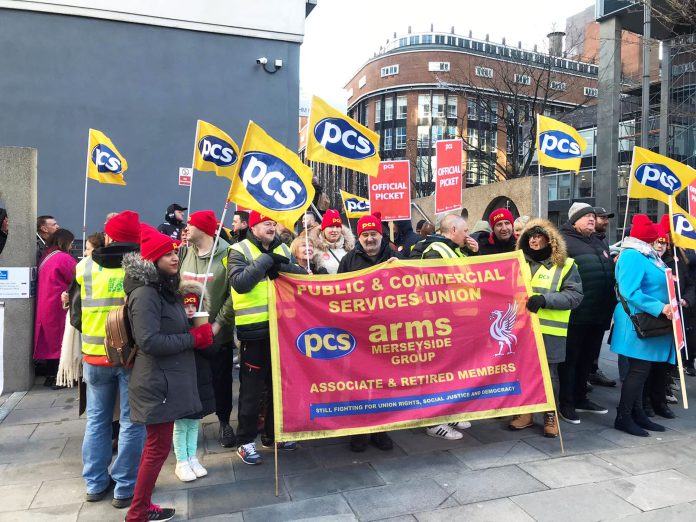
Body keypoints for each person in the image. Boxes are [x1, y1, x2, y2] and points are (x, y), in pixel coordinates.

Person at [124, 224, 213, 521]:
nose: (175, 257)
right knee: (156, 448)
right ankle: (138, 512)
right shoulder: (146, 294)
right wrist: (193, 339)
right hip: (157, 382)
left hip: (168, 377)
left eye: (174, 251)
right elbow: (148, 340)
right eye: (166, 254)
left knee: (157, 448)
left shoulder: (165, 289)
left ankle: (141, 507)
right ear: (152, 260)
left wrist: (194, 326)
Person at [69, 210, 145, 509]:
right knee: (131, 422)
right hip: (131, 357)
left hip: (95, 356)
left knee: (97, 421)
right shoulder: (142, 267)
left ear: (109, 235)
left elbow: (75, 315)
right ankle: (125, 487)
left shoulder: (84, 266)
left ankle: (95, 482)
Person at [229, 210, 305, 465]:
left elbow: (299, 275)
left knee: (278, 386)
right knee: (251, 390)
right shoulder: (238, 249)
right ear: (254, 226)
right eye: (266, 223)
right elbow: (240, 283)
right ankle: (245, 441)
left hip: (282, 328)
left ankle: (274, 435)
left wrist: (280, 265)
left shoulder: (281, 248)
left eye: (273, 223)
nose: (271, 227)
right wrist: (265, 261)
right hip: (254, 331)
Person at [510, 219, 583, 437]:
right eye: (530, 236)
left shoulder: (566, 265)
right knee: (523, 371)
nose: (533, 239)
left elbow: (574, 296)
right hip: (522, 329)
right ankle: (526, 412)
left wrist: (545, 300)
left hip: (550, 331)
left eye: (538, 235)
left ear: (549, 240)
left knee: (548, 375)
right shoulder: (517, 263)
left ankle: (550, 414)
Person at [410, 214, 477, 440]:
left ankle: (449, 413)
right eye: (465, 230)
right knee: (437, 374)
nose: (468, 235)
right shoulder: (436, 251)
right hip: (441, 324)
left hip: (453, 324)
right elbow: (433, 292)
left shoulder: (452, 249)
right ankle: (434, 421)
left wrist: (471, 252)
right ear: (454, 229)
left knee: (450, 373)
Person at [338, 214, 400, 452]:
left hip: (388, 332)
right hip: (359, 334)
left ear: (380, 235)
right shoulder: (349, 260)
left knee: (385, 383)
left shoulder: (395, 257)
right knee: (359, 383)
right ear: (359, 238)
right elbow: (338, 293)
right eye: (364, 235)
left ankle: (380, 429)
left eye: (373, 233)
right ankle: (360, 430)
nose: (369, 238)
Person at [611, 215, 675, 437]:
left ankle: (637, 414)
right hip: (637, 321)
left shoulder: (644, 255)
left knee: (642, 371)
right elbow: (630, 291)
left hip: (645, 321)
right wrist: (661, 307)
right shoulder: (633, 256)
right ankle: (624, 416)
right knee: (638, 371)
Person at [179, 210, 236, 448]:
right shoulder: (184, 252)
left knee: (220, 381)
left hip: (216, 334)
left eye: (191, 225)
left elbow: (233, 296)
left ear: (204, 229)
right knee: (190, 381)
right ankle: (189, 428)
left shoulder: (228, 254)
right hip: (186, 334)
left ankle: (224, 422)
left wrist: (218, 324)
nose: (186, 228)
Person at [558, 202, 615, 424]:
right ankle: (567, 403)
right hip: (576, 314)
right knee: (570, 360)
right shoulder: (563, 242)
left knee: (587, 360)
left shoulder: (599, 241)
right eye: (586, 216)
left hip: (598, 313)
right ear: (574, 220)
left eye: (593, 216)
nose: (592, 219)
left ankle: (581, 398)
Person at [173, 280, 219, 482]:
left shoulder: (202, 324)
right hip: (182, 381)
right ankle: (181, 460)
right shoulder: (174, 327)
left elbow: (212, 351)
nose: (190, 310)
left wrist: (204, 335)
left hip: (199, 381)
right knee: (181, 424)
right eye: (186, 306)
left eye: (194, 306)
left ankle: (192, 457)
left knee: (193, 423)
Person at [34, 229, 77, 388]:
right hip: (60, 305)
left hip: (45, 304)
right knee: (62, 342)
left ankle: (51, 376)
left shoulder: (46, 257)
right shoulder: (64, 258)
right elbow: (76, 279)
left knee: (50, 343)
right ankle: (63, 378)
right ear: (64, 242)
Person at [587, 206, 618, 388]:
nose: (605, 221)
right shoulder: (589, 240)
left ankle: (593, 369)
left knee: (596, 340)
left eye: (606, 218)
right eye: (601, 218)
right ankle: (586, 374)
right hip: (590, 303)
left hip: (603, 302)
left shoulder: (602, 240)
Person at [312, 209, 355, 274]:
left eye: (337, 226)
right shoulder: (313, 248)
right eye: (331, 226)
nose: (335, 230)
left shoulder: (350, 249)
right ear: (323, 229)